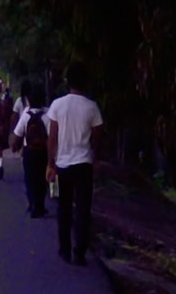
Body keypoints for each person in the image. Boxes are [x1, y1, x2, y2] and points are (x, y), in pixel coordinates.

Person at [46, 61, 103, 266]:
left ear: (67, 82)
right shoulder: (92, 107)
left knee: (64, 208)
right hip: (84, 164)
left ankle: (64, 250)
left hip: (63, 165)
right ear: (85, 82)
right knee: (83, 209)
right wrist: (91, 152)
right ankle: (80, 251)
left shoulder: (57, 105)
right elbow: (97, 137)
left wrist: (51, 164)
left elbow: (52, 138)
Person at [11, 84, 49, 218]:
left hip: (29, 151)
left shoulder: (26, 115)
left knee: (30, 178)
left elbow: (18, 134)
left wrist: (15, 146)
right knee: (42, 179)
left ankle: (32, 203)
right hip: (44, 152)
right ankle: (40, 204)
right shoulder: (48, 114)